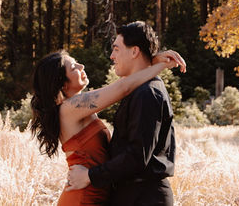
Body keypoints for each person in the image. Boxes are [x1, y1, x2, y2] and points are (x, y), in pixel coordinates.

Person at [31, 42, 185, 206]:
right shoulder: (71, 108)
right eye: (73, 67)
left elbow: (127, 82)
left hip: (96, 191)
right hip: (83, 197)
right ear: (63, 84)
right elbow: (123, 87)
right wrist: (160, 65)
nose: (81, 65)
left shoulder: (79, 107)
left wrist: (149, 62)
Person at [66, 21, 177, 205]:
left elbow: (137, 156)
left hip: (144, 198)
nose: (111, 56)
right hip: (133, 194)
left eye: (116, 49)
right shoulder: (138, 90)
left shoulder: (147, 93)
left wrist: (90, 176)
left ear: (134, 52)